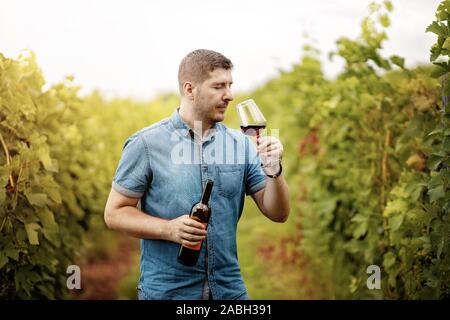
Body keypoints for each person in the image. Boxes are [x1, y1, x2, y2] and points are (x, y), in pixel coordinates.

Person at [104, 49, 290, 300]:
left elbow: (278, 213)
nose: (230, 95)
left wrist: (274, 171)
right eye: (219, 86)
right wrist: (168, 229)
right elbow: (114, 213)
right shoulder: (147, 144)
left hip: (229, 291)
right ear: (190, 89)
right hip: (168, 293)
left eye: (230, 85)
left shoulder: (242, 144)